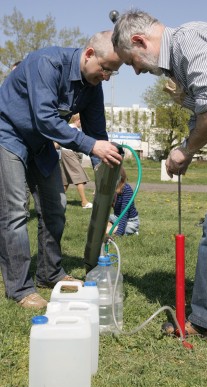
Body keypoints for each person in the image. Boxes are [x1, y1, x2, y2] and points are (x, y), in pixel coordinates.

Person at [112, 10, 207, 339]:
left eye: (132, 61)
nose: (136, 71)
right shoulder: (180, 66)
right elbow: (204, 113)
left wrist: (186, 150)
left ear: (139, 41)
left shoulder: (189, 39)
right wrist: (186, 146)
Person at [0, 30, 123, 309]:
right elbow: (45, 119)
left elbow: (96, 132)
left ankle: (49, 273)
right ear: (89, 54)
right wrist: (92, 147)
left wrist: (106, 176)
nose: (105, 76)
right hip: (8, 135)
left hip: (41, 145)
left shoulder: (93, 87)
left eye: (111, 73)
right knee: (16, 210)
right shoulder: (46, 63)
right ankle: (20, 288)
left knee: (56, 206)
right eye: (105, 69)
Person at [56, 113, 93, 209]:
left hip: (66, 154)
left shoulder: (72, 128)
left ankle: (56, 202)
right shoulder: (72, 128)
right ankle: (84, 202)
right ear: (78, 120)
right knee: (79, 177)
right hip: (69, 154)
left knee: (65, 181)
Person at [107, 166, 139, 236]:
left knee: (104, 231)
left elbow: (124, 213)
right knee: (98, 223)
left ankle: (132, 230)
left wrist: (119, 233)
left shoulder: (126, 189)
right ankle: (113, 227)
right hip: (116, 218)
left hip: (129, 221)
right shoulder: (112, 188)